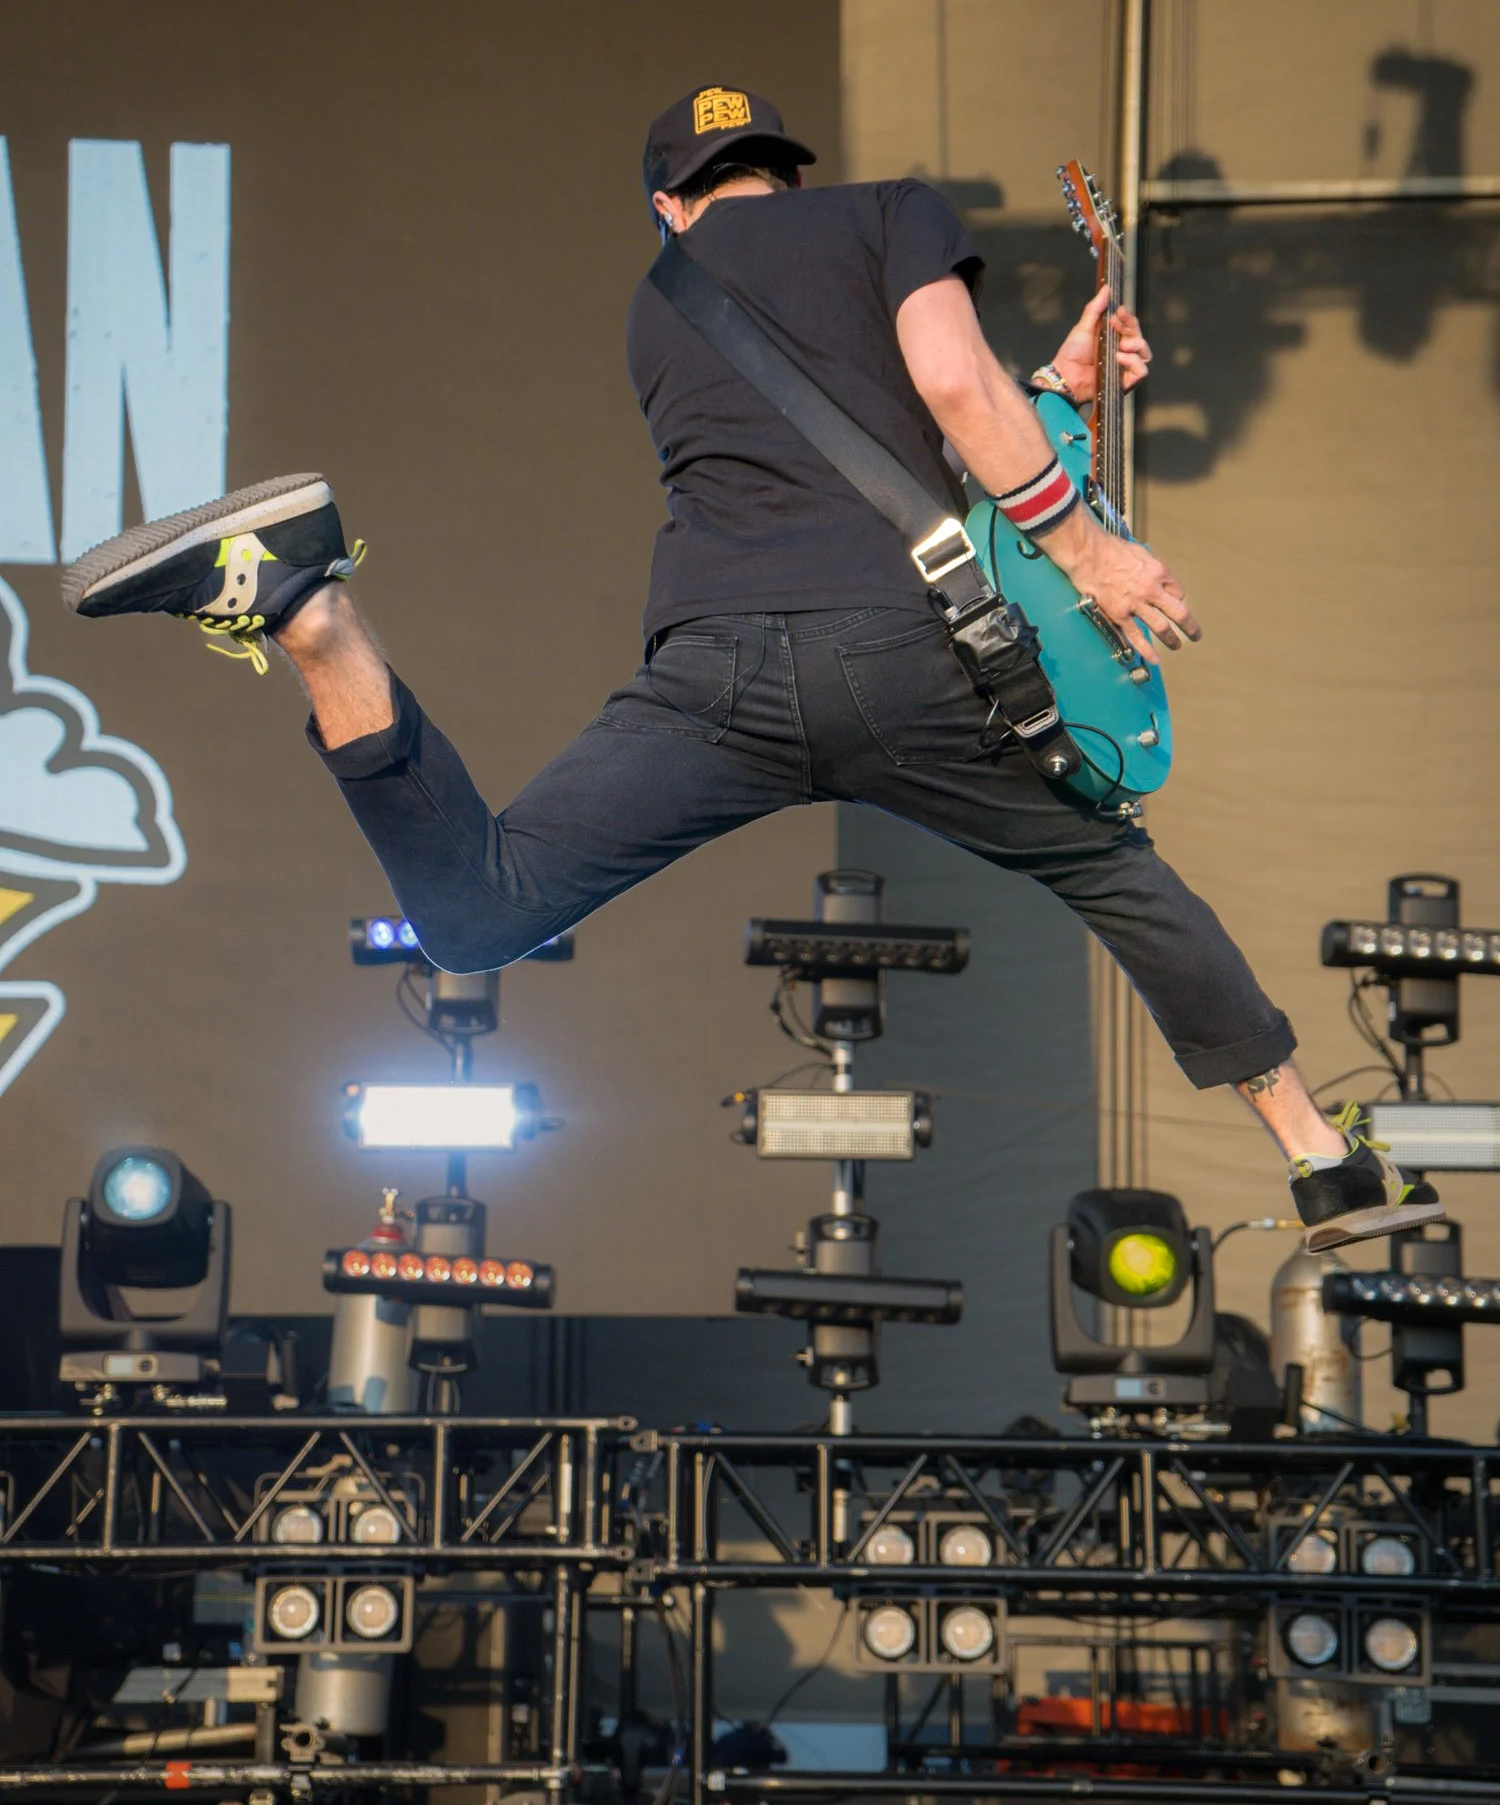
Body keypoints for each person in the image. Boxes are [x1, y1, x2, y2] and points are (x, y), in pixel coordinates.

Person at [63, 84, 1437, 1255]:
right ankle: (1317, 1151)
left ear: (670, 205)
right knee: (1112, 870)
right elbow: (945, 407)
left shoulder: (656, 309)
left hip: (717, 671)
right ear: (792, 172)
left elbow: (868, 436)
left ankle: (321, 626)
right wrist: (1089, 547)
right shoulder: (891, 212)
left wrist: (1059, 391)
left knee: (481, 915)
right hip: (904, 660)